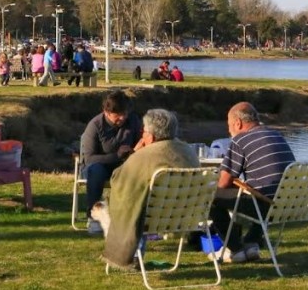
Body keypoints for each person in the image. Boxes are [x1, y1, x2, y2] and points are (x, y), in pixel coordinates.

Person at [102, 109, 200, 268]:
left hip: (152, 219)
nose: (142, 135)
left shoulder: (144, 156)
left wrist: (135, 153)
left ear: (151, 135)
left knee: (134, 200)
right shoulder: (188, 151)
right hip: (187, 216)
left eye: (144, 132)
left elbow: (117, 178)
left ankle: (134, 255)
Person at [209, 102, 296, 263]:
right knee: (262, 192)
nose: (229, 131)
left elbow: (223, 183)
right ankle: (251, 243)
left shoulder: (240, 141)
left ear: (238, 123)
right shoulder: (276, 135)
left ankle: (235, 249)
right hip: (291, 204)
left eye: (229, 126)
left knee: (212, 199)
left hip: (267, 207)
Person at [80, 90, 142, 234]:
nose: (122, 117)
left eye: (125, 113)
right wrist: (117, 156)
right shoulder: (95, 125)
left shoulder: (133, 121)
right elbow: (89, 158)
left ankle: (134, 217)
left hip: (123, 166)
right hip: (97, 167)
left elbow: (139, 143)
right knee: (96, 170)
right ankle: (93, 217)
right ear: (106, 112)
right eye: (118, 114)